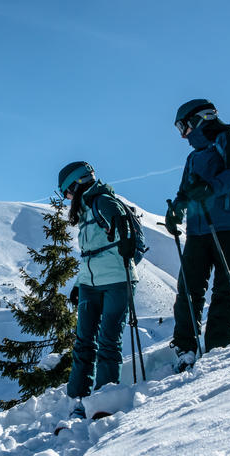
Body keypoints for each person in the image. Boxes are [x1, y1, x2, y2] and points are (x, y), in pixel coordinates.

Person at [165, 99, 230, 371]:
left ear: (199, 120)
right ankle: (185, 348)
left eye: (184, 127)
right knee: (188, 288)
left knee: (225, 286)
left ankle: (218, 343)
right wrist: (175, 212)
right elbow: (185, 192)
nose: (184, 135)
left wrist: (210, 188)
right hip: (198, 228)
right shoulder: (193, 157)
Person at [58, 161, 136, 419]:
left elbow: (122, 223)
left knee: (108, 341)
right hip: (91, 285)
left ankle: (104, 400)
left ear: (77, 183)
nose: (67, 197)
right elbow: (89, 255)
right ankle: (77, 401)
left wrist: (126, 245)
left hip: (116, 280)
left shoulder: (102, 200)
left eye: (66, 191)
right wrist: (79, 284)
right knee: (83, 343)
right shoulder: (85, 210)